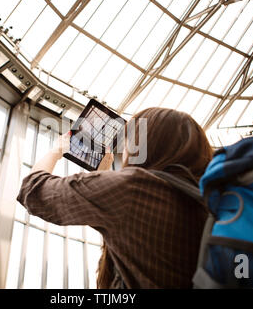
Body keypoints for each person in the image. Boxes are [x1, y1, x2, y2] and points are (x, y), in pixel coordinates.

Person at [17, 107, 214, 288]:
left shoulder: (133, 188)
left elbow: (33, 189)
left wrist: (57, 150)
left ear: (148, 145)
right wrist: (103, 174)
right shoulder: (209, 204)